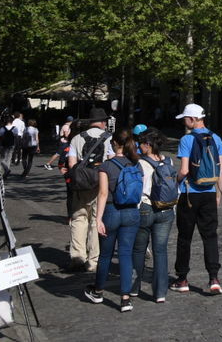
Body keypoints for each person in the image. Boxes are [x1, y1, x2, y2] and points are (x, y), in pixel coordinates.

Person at [85, 129, 143, 312]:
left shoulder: (106, 166)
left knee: (105, 255)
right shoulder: (136, 164)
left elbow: (102, 194)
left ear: (115, 144)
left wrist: (98, 218)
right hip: (132, 212)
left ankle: (98, 291)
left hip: (111, 210)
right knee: (125, 254)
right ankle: (125, 299)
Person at [171, 103, 222, 296]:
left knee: (185, 237)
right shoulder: (216, 137)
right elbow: (220, 170)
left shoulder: (187, 139)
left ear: (193, 119)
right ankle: (214, 278)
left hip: (190, 194)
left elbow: (185, 170)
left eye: (186, 119)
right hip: (209, 193)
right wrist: (218, 194)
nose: (184, 122)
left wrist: (174, 181)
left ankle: (182, 278)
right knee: (210, 236)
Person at [133, 130, 176, 303]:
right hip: (166, 210)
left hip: (146, 208)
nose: (138, 147)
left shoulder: (140, 163)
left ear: (148, 145)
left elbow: (138, 189)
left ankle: (133, 287)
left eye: (141, 143)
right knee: (160, 251)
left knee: (139, 249)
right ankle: (160, 293)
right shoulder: (169, 161)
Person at [67, 108, 112, 273]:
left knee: (79, 219)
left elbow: (71, 164)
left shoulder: (76, 139)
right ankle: (93, 261)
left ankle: (77, 257)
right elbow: (111, 162)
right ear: (102, 123)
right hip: (100, 185)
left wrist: (81, 178)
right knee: (95, 221)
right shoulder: (109, 139)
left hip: (80, 185)